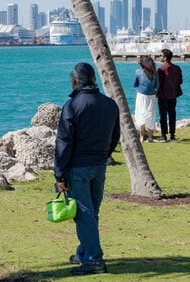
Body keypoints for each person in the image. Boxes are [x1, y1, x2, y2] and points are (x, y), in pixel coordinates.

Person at [54, 62, 120, 275]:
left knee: (84, 215)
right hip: (98, 166)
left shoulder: (72, 106)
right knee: (91, 213)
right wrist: (104, 155)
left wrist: (59, 174)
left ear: (75, 80)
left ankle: (94, 260)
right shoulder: (110, 104)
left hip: (78, 168)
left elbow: (64, 142)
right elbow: (114, 136)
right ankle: (84, 253)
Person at [156, 49, 183, 143]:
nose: (159, 57)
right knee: (172, 114)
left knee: (163, 115)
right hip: (173, 95)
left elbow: (158, 83)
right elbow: (180, 81)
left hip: (163, 95)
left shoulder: (161, 69)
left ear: (165, 57)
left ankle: (163, 135)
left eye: (160, 55)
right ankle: (172, 135)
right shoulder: (177, 68)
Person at [133, 55, 159, 143]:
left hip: (141, 95)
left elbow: (135, 84)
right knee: (151, 114)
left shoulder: (138, 72)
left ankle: (141, 136)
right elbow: (157, 86)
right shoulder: (155, 73)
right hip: (151, 96)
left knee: (140, 114)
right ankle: (150, 136)